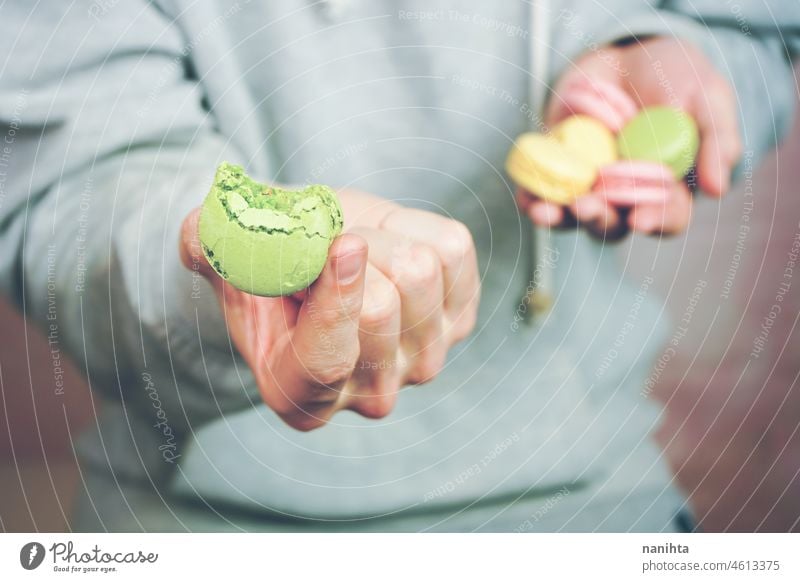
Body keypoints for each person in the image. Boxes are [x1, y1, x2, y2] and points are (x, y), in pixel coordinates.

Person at [0, 0, 797, 532]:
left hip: (593, 500)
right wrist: (215, 275)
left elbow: (758, 30)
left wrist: (675, 61)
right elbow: (65, 182)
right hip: (195, 522)